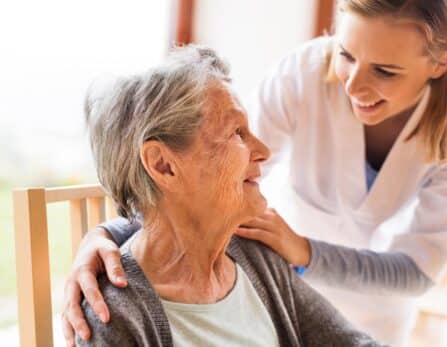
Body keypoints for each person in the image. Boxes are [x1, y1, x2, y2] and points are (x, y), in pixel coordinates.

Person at [63, 1, 447, 346]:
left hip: (359, 303)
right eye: (345, 55)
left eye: (385, 71)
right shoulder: (305, 73)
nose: (352, 85)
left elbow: (415, 271)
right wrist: (106, 233)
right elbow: (195, 182)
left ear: (441, 63)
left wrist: (302, 254)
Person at [74, 45, 383, 347]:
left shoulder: (256, 255)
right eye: (237, 133)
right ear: (163, 165)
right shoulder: (112, 315)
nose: (263, 151)